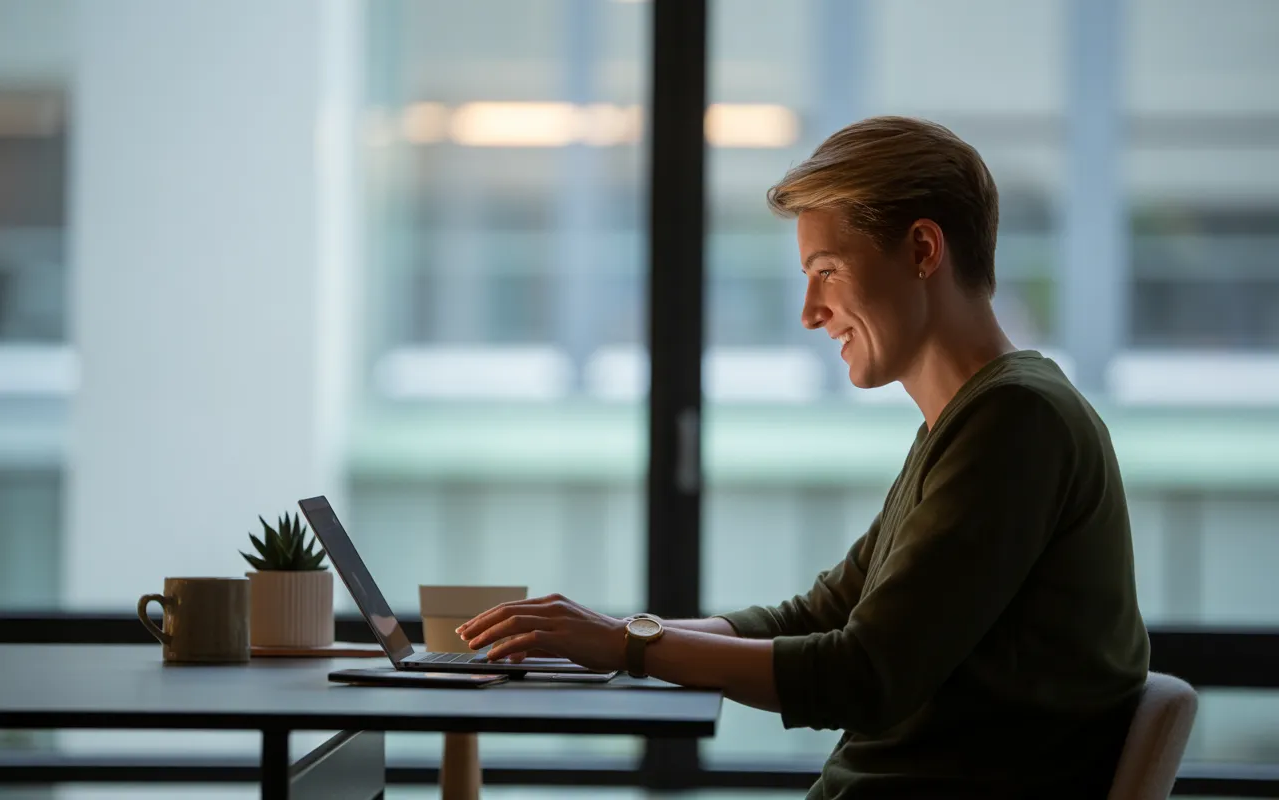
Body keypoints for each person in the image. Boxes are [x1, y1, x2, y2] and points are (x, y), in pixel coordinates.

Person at [456, 116, 1150, 799]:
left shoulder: (1015, 422)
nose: (810, 311)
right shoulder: (971, 421)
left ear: (921, 250)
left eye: (827, 270)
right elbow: (819, 614)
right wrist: (606, 636)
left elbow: (863, 674)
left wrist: (627, 645)